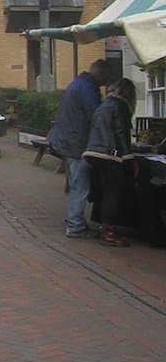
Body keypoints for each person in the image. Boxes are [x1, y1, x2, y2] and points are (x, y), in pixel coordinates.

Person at [47, 59, 111, 238]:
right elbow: (96, 115)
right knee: (80, 185)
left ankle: (75, 220)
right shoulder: (88, 89)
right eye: (107, 76)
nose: (108, 81)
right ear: (100, 74)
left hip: (66, 141)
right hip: (75, 143)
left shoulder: (79, 83)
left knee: (77, 183)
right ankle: (75, 225)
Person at [82, 78, 137, 247]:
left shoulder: (103, 105)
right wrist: (129, 158)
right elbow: (121, 134)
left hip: (94, 152)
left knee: (105, 193)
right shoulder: (120, 106)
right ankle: (110, 232)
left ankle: (104, 226)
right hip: (110, 155)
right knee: (114, 193)